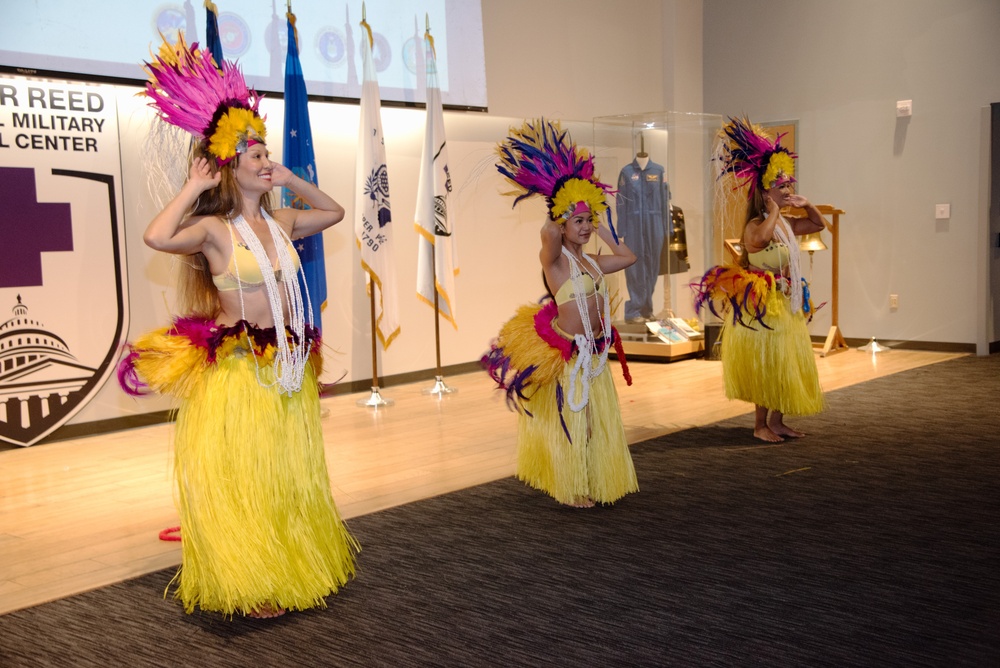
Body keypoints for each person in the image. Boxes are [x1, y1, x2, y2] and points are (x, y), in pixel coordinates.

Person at [118, 35, 357, 618]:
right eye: (252, 152)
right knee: (244, 477)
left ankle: (289, 565)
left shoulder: (283, 221)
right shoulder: (215, 229)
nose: (262, 157)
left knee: (287, 479)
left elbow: (335, 212)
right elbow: (156, 237)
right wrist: (194, 188)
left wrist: (293, 178)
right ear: (230, 165)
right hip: (239, 372)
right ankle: (248, 579)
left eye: (264, 149)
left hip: (288, 369)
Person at [483, 119, 639, 507]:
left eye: (589, 220)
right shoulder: (556, 263)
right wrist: (561, 199)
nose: (585, 227)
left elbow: (629, 256)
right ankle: (571, 488)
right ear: (562, 221)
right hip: (570, 352)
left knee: (590, 425)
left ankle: (587, 478)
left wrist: (598, 222)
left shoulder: (593, 264)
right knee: (575, 419)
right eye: (578, 221)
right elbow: (549, 234)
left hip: (595, 351)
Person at [694, 116, 825, 443]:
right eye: (781, 186)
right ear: (766, 192)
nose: (787, 190)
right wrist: (776, 211)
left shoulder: (790, 225)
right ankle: (759, 424)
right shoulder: (756, 224)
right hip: (762, 308)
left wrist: (807, 204)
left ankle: (778, 421)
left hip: (785, 305)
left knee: (786, 363)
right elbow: (761, 241)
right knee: (768, 365)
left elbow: (819, 225)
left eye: (788, 185)